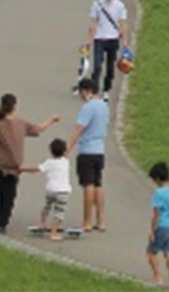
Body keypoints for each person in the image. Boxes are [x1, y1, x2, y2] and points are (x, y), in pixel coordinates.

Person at [0, 94, 60, 234]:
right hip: (14, 168)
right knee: (7, 199)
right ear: (14, 106)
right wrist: (52, 120)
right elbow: (38, 129)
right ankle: (1, 224)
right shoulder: (21, 123)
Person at [68, 77, 110, 232]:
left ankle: (86, 220)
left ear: (86, 91)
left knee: (88, 185)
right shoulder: (104, 106)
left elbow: (79, 129)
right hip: (100, 149)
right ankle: (101, 220)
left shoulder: (88, 107)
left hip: (87, 150)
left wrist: (68, 148)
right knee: (98, 185)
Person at [86, 0, 129, 101]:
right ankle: (94, 91)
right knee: (97, 66)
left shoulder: (120, 6)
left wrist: (125, 42)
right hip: (99, 38)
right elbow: (93, 23)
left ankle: (106, 90)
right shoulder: (97, 4)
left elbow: (123, 24)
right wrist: (89, 40)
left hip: (113, 39)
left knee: (110, 67)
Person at [21, 137, 71, 241]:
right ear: (65, 151)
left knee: (47, 207)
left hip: (51, 190)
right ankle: (53, 233)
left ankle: (42, 224)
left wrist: (22, 169)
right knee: (59, 212)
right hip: (63, 192)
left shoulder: (49, 162)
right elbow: (65, 153)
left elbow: (37, 169)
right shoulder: (66, 162)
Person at [146, 161, 169, 290]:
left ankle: (158, 278)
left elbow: (156, 214)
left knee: (151, 252)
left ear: (157, 178)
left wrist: (152, 231)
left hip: (161, 226)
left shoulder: (159, 193)